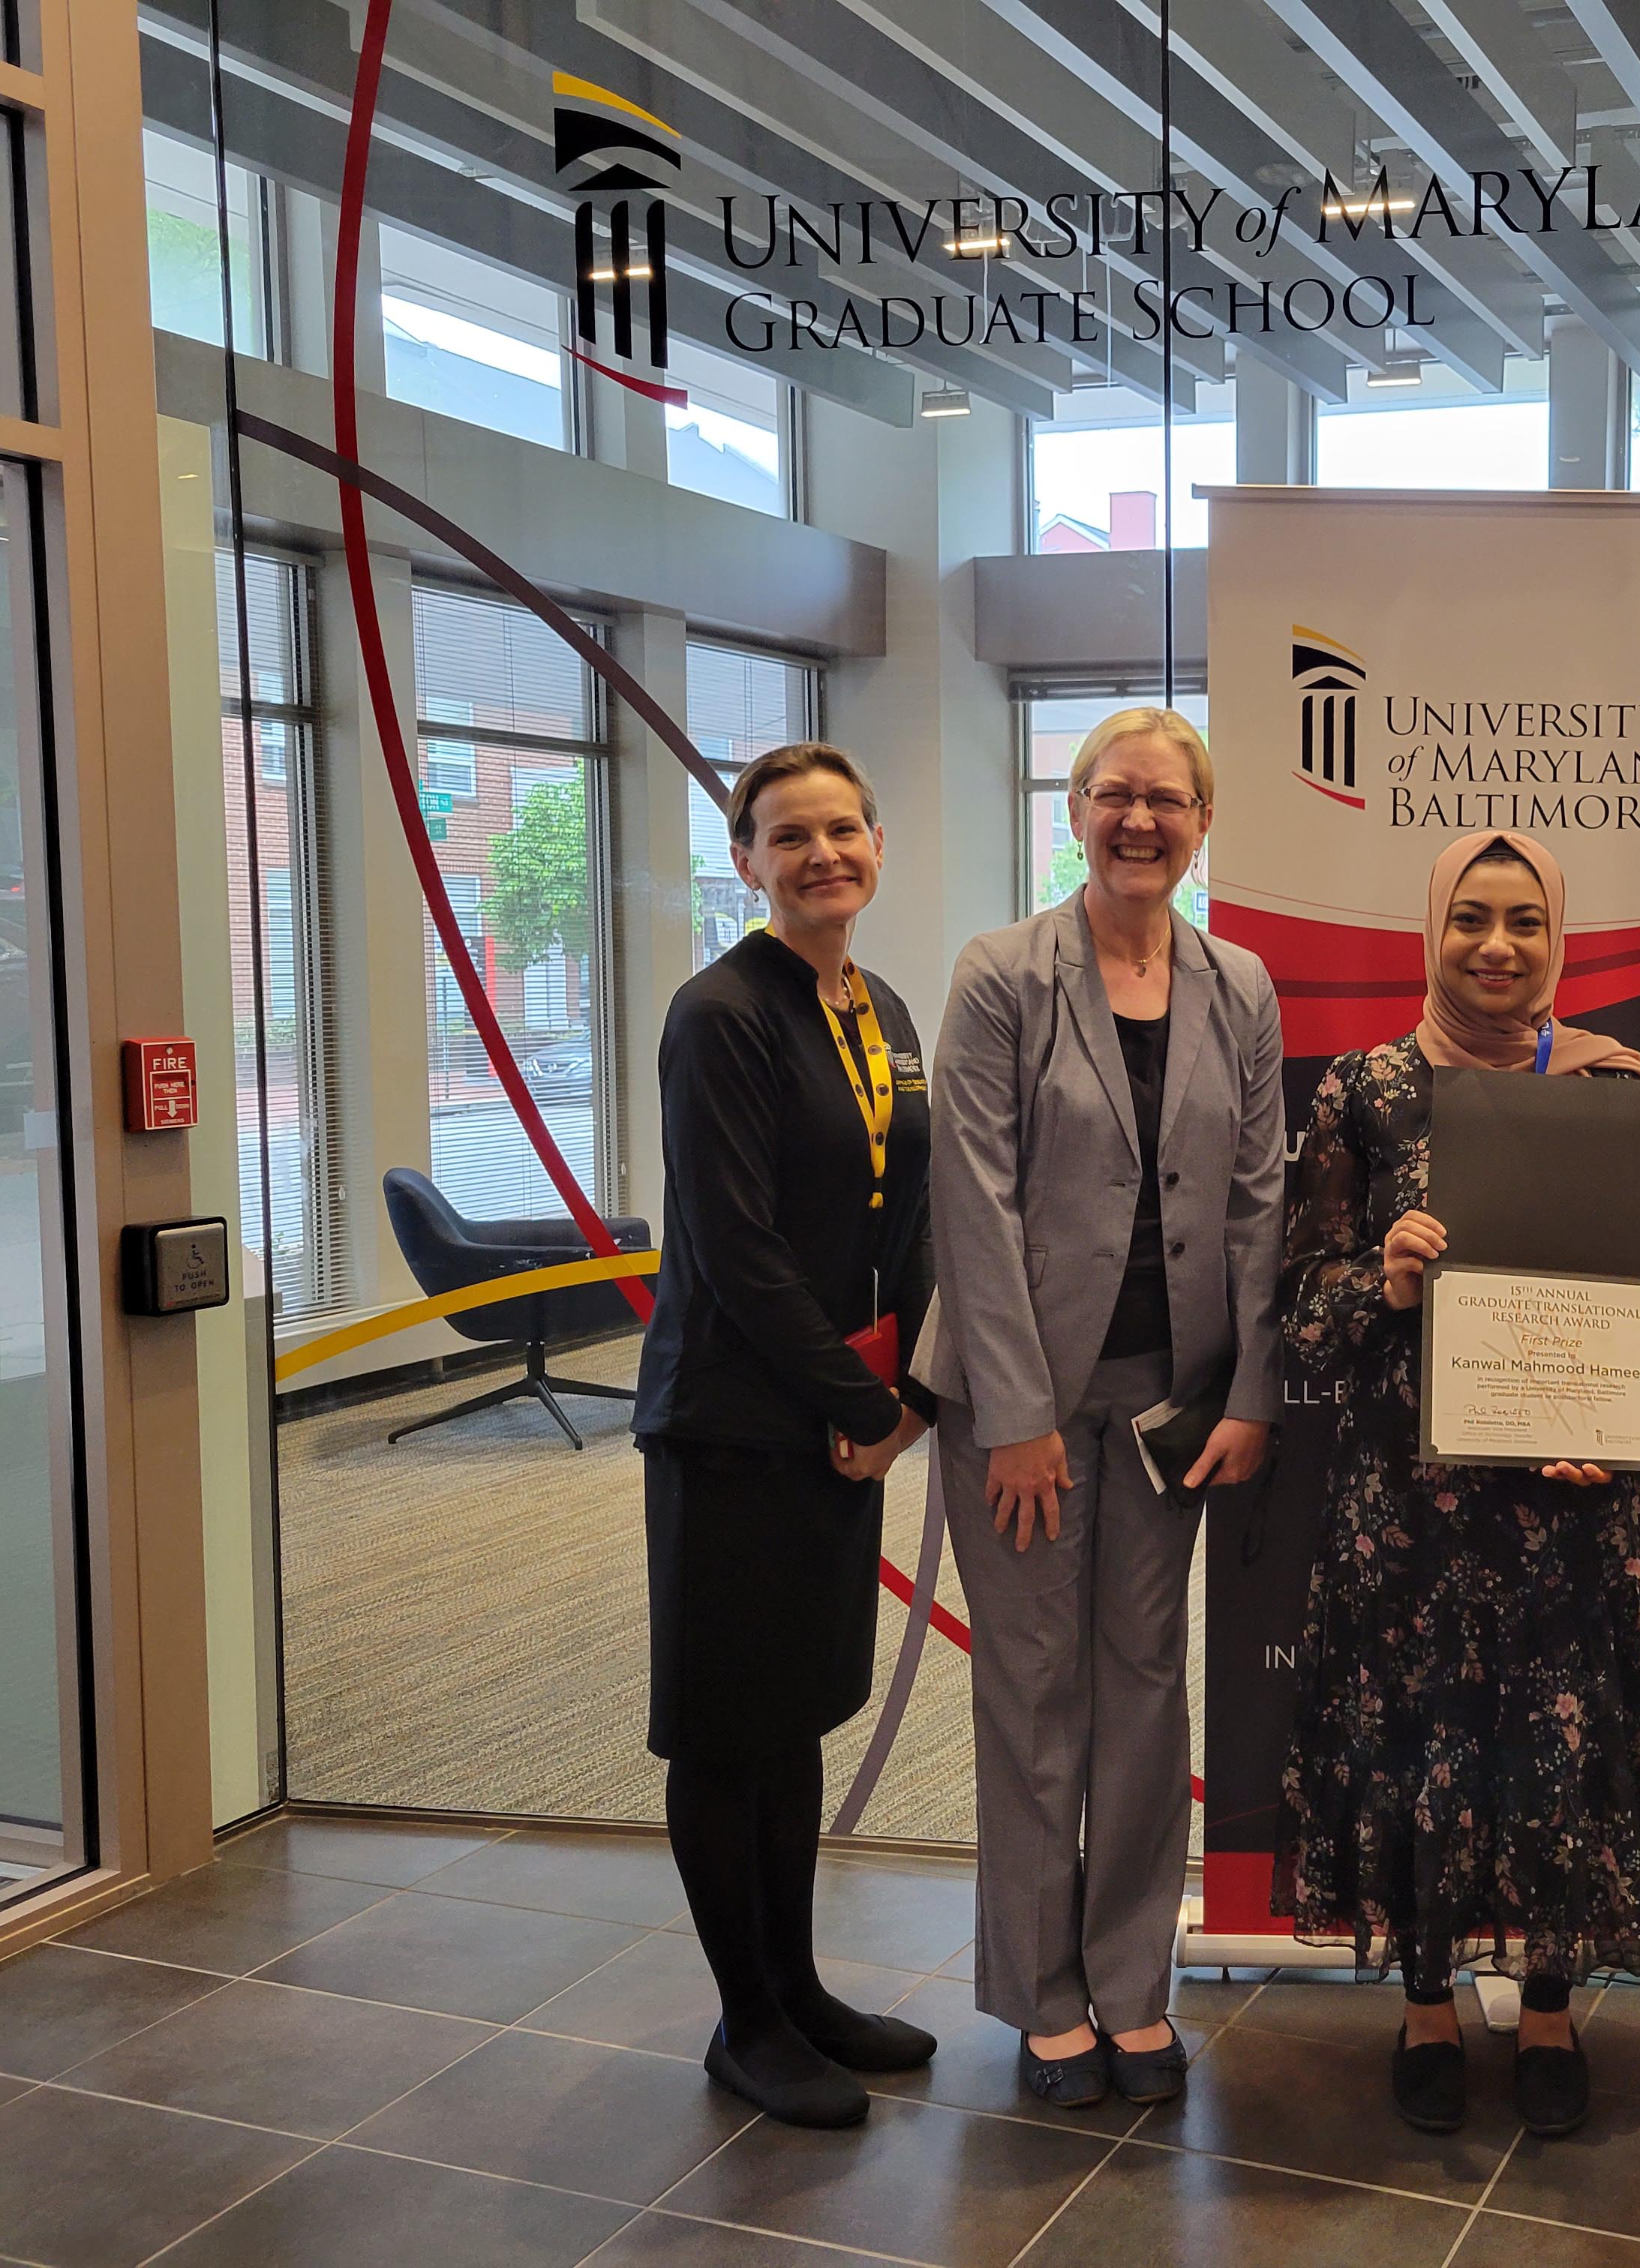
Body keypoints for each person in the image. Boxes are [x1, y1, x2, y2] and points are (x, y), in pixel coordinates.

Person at [1276, 830, 1640, 2144]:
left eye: (1525, 921)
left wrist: (1631, 1433)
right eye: (1471, 919)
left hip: (1577, 1508)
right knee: (1418, 1745)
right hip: (1407, 1512)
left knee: (1558, 1750)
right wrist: (1381, 1282)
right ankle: (1424, 2002)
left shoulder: (1617, 1085)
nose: (1498, 946)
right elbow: (1298, 1314)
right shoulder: (1362, 1091)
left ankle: (1555, 2005)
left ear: (1557, 937)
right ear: (1433, 929)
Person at [918, 706, 1282, 2114]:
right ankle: (1041, 1993)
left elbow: (1256, 1200)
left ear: (1203, 822)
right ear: (1074, 809)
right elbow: (976, 1200)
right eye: (1116, 794)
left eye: (1170, 800)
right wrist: (1011, 1414)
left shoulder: (1239, 983)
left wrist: (1248, 1391)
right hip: (1021, 1404)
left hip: (1168, 1408)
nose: (1143, 820)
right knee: (1033, 1693)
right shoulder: (1003, 975)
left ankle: (1133, 1987)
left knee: (1144, 1690)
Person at [635, 742, 941, 2128]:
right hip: (736, 1424)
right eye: (788, 835)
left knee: (803, 1709)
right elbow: (738, 1250)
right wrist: (866, 1408)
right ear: (747, 858)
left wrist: (909, 1397)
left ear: (878, 844)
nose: (823, 854)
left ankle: (800, 1984)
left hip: (839, 1423)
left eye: (843, 830)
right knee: (725, 1726)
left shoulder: (881, 1008)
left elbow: (911, 1218)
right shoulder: (723, 1015)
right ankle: (745, 2021)